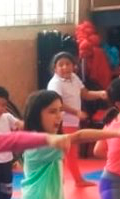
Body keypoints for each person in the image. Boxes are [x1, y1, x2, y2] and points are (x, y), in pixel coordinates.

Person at [46, 51, 108, 187]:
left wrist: (100, 94)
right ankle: (76, 180)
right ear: (54, 69)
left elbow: (85, 94)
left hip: (73, 121)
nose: (64, 67)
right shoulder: (55, 83)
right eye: (60, 65)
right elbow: (58, 104)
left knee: (68, 151)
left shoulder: (74, 77)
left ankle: (64, 179)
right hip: (62, 121)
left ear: (74, 66)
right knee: (70, 151)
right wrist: (76, 112)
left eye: (67, 64)